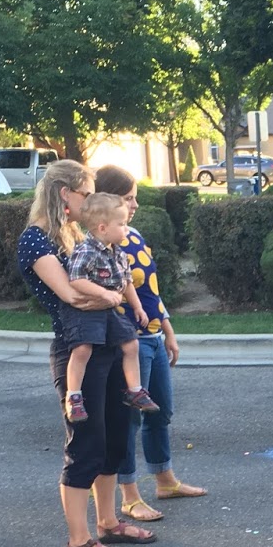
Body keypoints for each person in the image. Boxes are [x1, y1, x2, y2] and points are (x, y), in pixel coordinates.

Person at [16, 160, 156, 547]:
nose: (94, 200)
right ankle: (79, 541)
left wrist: (116, 299)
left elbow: (115, 281)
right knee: (86, 443)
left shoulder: (81, 235)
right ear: (66, 194)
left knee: (114, 438)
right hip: (77, 347)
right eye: (87, 193)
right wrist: (111, 299)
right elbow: (72, 296)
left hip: (108, 344)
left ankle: (109, 522)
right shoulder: (36, 240)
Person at [93, 164, 206, 522]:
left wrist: (168, 330)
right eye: (128, 198)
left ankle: (165, 480)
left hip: (153, 338)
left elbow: (150, 292)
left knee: (162, 411)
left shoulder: (134, 235)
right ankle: (129, 495)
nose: (135, 205)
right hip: (129, 342)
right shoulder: (102, 244)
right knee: (129, 420)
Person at [62, 192, 157, 422]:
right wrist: (103, 293)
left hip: (109, 311)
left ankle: (134, 391)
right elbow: (76, 279)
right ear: (103, 228)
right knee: (82, 349)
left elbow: (127, 283)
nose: (126, 229)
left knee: (131, 343)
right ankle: (73, 397)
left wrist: (138, 307)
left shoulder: (119, 253)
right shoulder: (86, 250)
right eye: (121, 224)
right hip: (86, 312)